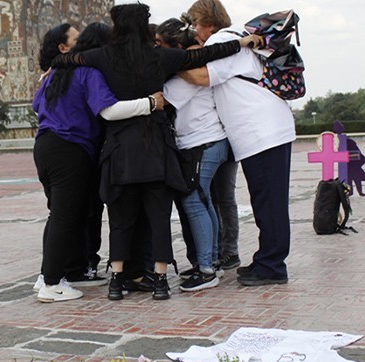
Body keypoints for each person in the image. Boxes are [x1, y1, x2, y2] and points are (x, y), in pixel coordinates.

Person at [52, 3, 261, 301]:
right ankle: (161, 282)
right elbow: (201, 55)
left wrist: (53, 65)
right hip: (156, 147)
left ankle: (116, 282)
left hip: (121, 150)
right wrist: (240, 42)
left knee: (121, 220)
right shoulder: (158, 55)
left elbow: (70, 59)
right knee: (159, 217)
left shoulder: (102, 56)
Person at [32, 22, 164, 302]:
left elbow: (36, 106)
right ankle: (52, 283)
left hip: (45, 146)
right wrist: (150, 103)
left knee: (58, 214)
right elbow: (108, 111)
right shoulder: (87, 71)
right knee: (65, 217)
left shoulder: (54, 72)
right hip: (71, 149)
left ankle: (46, 275)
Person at [183, 0, 295, 285]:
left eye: (195, 23)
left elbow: (201, 76)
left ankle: (271, 266)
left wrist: (166, 61)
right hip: (265, 129)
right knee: (266, 199)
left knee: (269, 201)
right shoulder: (237, 38)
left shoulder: (222, 40)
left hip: (262, 132)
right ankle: (266, 259)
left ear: (207, 23)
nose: (194, 31)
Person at [157, 17, 229, 292]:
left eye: (162, 46)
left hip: (203, 142)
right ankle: (209, 262)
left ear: (175, 46)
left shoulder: (186, 73)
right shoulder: (191, 66)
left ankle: (208, 270)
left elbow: (161, 101)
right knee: (203, 200)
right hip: (206, 141)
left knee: (194, 201)